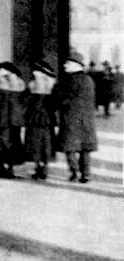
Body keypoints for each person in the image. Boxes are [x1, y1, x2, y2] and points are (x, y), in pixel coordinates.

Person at [55, 51, 97, 183]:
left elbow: (63, 99)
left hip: (71, 118)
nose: (64, 65)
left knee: (70, 148)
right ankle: (85, 174)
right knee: (84, 148)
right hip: (86, 119)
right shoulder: (88, 79)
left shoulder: (67, 80)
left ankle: (74, 172)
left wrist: (57, 104)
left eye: (67, 63)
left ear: (75, 65)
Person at [0, 61, 27, 179]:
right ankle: (10, 167)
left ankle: (2, 168)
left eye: (1, 69)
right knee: (13, 141)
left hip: (2, 118)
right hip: (14, 119)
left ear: (7, 70)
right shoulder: (20, 83)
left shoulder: (2, 83)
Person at [24, 61, 58, 180]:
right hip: (47, 119)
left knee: (36, 142)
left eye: (36, 70)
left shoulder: (33, 85)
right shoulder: (52, 85)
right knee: (46, 142)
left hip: (35, 118)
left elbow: (26, 101)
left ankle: (38, 166)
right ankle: (44, 167)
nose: (34, 72)